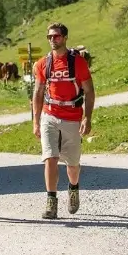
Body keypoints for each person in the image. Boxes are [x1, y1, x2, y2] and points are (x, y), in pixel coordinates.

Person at [31, 22, 95, 219]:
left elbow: (89, 91)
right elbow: (38, 92)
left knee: (73, 164)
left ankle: (73, 188)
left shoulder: (78, 63)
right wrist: (35, 121)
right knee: (50, 157)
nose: (52, 39)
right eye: (49, 37)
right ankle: (51, 202)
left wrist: (88, 118)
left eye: (56, 36)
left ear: (65, 38)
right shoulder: (42, 64)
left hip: (73, 117)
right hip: (49, 116)